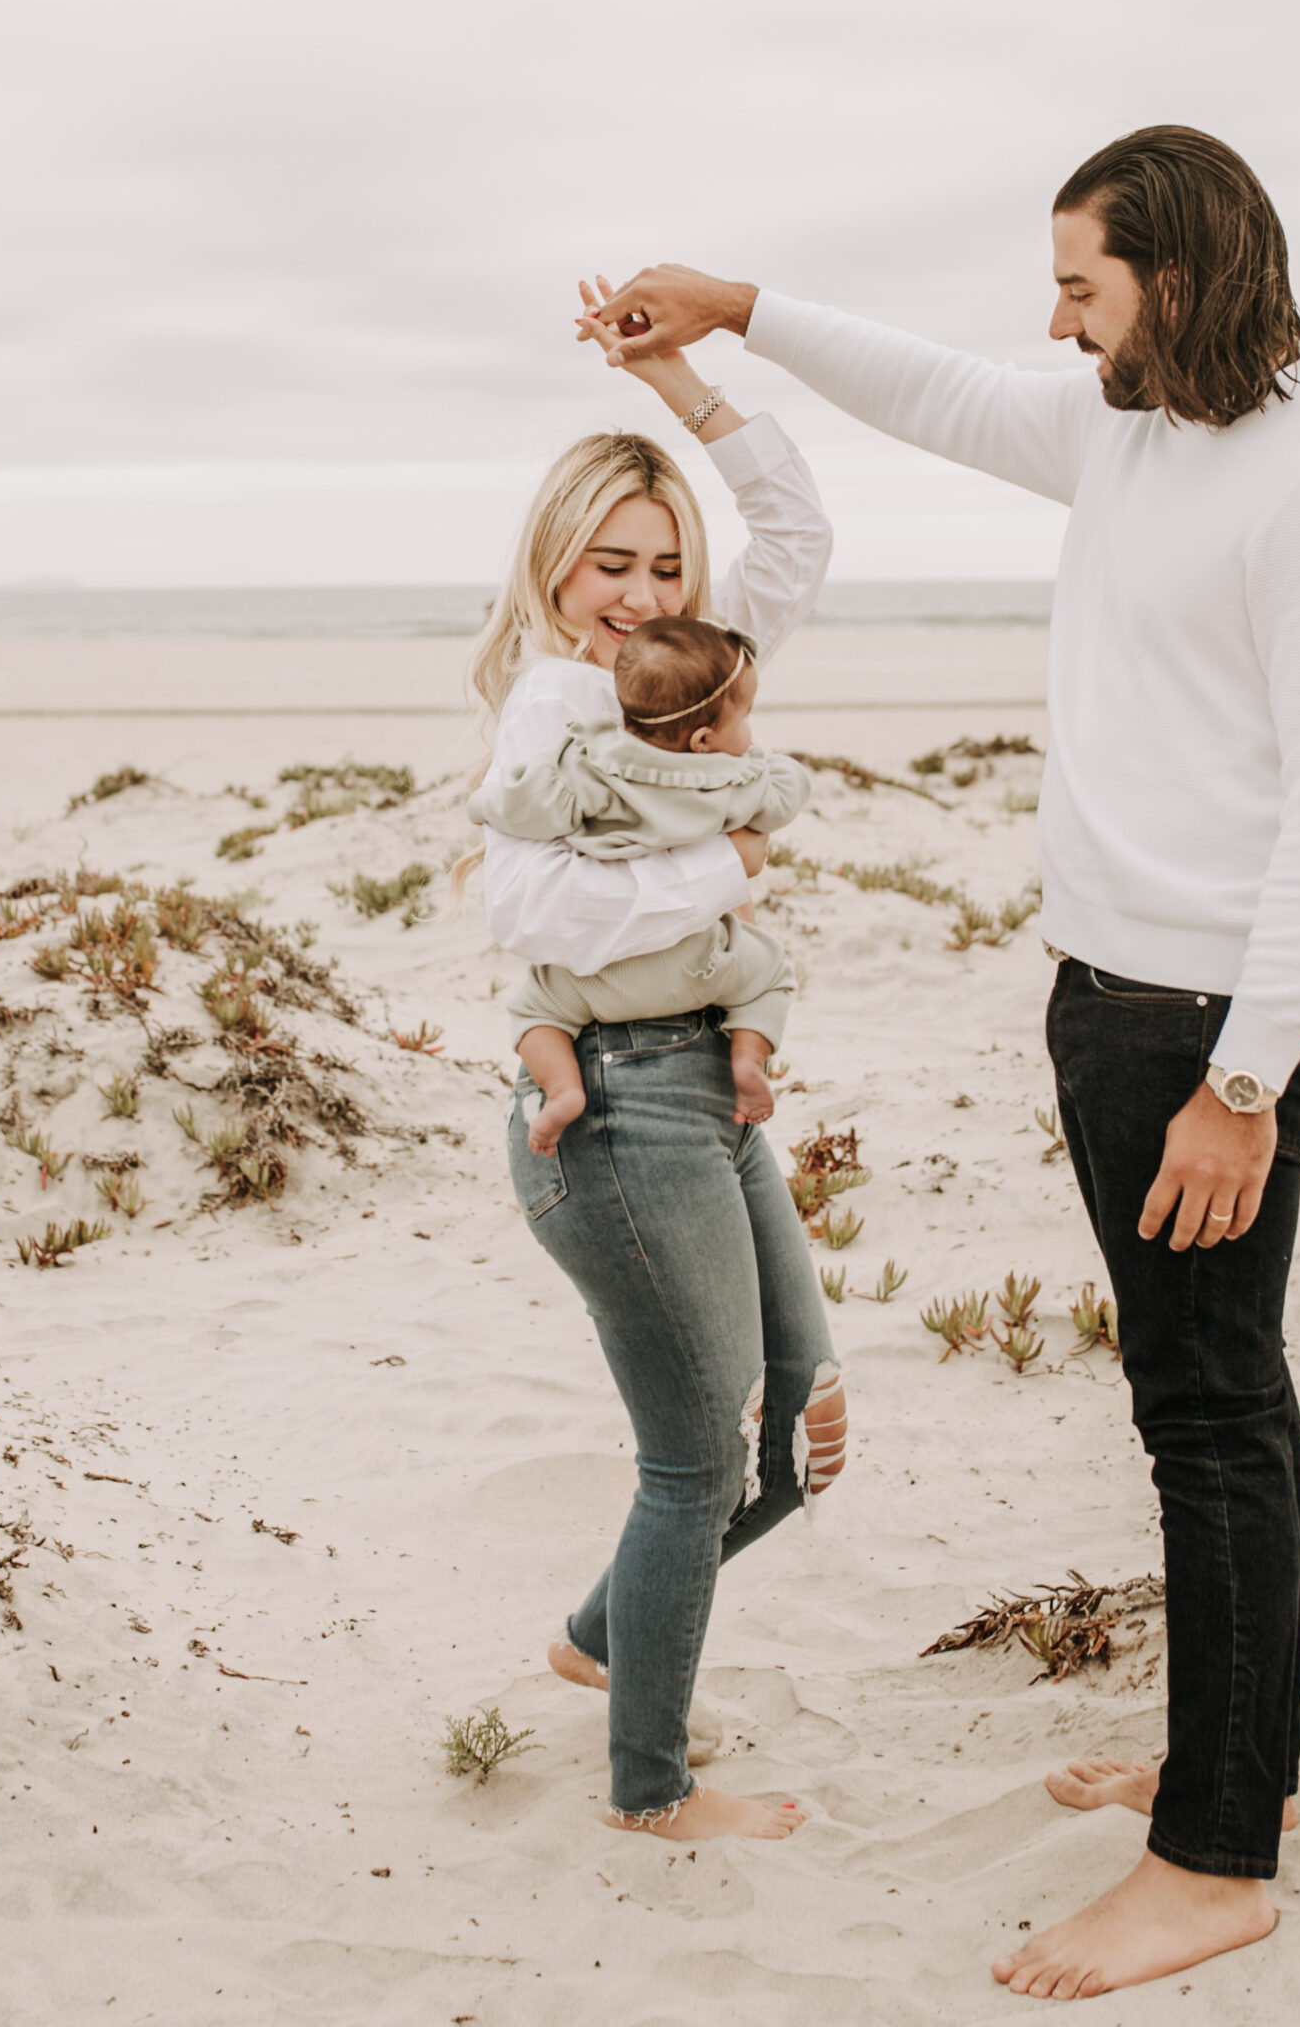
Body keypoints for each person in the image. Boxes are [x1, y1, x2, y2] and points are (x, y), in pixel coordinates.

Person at [581, 129, 1300, 1996]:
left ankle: (1210, 1857)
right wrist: (735, 311)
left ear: (1182, 283)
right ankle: (1239, 1772)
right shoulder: (1133, 433)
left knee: (1207, 1419)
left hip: (1213, 1029)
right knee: (1213, 1403)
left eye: (1082, 287)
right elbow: (941, 395)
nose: (1052, 325)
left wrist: (1245, 1084)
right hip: (1114, 1000)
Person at [469, 289, 847, 1843]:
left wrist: (682, 378)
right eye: (608, 564)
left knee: (802, 1428)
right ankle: (649, 1789)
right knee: (698, 1464)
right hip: (615, 1113)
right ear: (555, 568)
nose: (637, 595)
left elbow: (798, 531)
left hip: (705, 1088)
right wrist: (732, 862)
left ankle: (600, 1639)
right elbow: (531, 911)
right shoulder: (556, 711)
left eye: (663, 563)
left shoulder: (685, 667)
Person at [469, 614, 809, 1154]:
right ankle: (747, 1058)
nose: (747, 732)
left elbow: (528, 805)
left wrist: (485, 803)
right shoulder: (731, 780)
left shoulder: (593, 763)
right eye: (744, 717)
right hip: (703, 964)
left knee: (535, 1009)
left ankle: (561, 1090)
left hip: (600, 979)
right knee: (770, 973)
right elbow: (786, 793)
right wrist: (764, 763)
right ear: (703, 739)